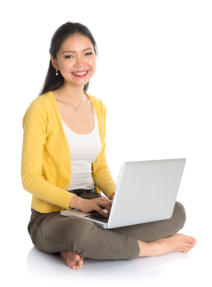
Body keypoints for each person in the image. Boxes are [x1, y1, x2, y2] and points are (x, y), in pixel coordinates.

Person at [21, 22, 196, 271]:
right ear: (55, 63)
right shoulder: (40, 109)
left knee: (175, 212)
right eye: (69, 56)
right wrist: (78, 203)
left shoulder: (98, 107)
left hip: (93, 207)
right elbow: (30, 179)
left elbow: (99, 166)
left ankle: (82, 246)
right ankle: (151, 248)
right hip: (52, 216)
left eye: (88, 53)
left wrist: (119, 198)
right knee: (80, 233)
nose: (81, 63)